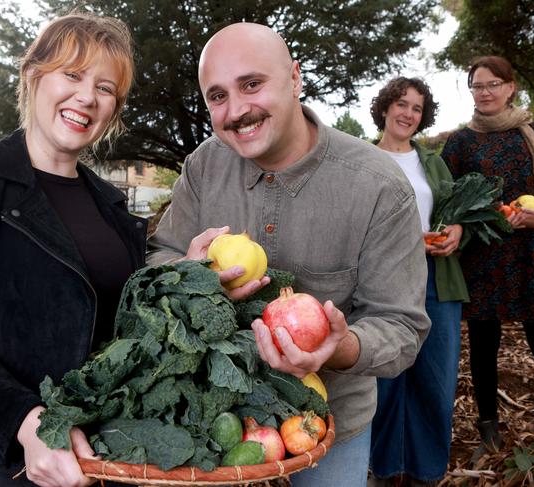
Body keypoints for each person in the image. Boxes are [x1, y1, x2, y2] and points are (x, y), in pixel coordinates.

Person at [146, 22, 431, 486]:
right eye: (217, 96)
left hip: (325, 424)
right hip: (212, 423)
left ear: (295, 78)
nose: (236, 110)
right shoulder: (203, 165)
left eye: (252, 84)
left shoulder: (378, 187)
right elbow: (161, 257)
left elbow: (401, 326)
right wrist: (187, 275)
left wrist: (337, 349)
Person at [0, 14, 146, 487]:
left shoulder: (113, 205)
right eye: (72, 74)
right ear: (34, 73)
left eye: (105, 88)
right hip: (2, 458)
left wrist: (185, 270)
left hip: (105, 453)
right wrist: (28, 422)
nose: (86, 97)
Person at [367, 77, 468, 486]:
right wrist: (409, 242)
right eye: (402, 104)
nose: (408, 114)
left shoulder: (433, 162)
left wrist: (457, 229)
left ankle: (425, 471)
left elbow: (450, 211)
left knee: (434, 379)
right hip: (383, 283)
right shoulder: (364, 160)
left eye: (417, 109)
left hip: (436, 283)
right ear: (385, 107)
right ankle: (384, 466)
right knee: (385, 378)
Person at [441, 55, 534, 464]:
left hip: (531, 253)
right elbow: (444, 196)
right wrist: (471, 217)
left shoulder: (531, 133)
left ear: (510, 87)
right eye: (477, 86)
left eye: (492, 84)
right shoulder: (462, 142)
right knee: (483, 346)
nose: (485, 93)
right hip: (484, 256)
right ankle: (489, 430)